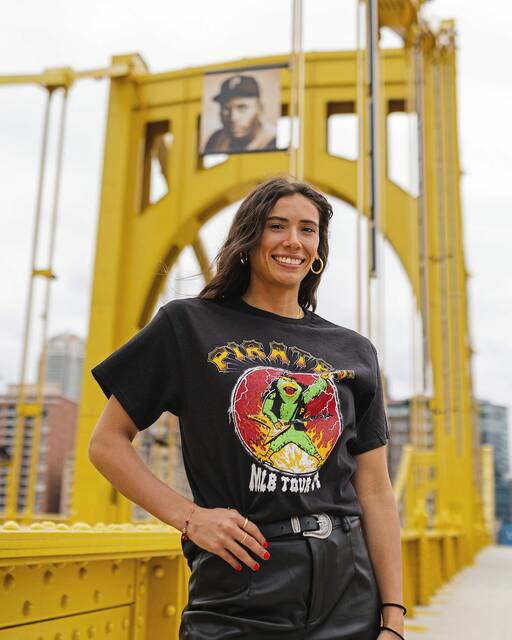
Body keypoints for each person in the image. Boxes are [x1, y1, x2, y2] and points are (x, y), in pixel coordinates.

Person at [88, 175, 406, 640]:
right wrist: (190, 517)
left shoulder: (353, 349)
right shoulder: (189, 324)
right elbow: (106, 443)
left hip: (348, 585)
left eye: (308, 230)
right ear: (249, 237)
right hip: (243, 580)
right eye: (277, 226)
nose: (293, 242)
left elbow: (375, 490)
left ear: (319, 249)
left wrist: (393, 618)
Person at [202, 74, 277, 154]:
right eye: (226, 109)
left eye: (242, 108)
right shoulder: (216, 138)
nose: (233, 118)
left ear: (260, 109)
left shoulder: (275, 140)